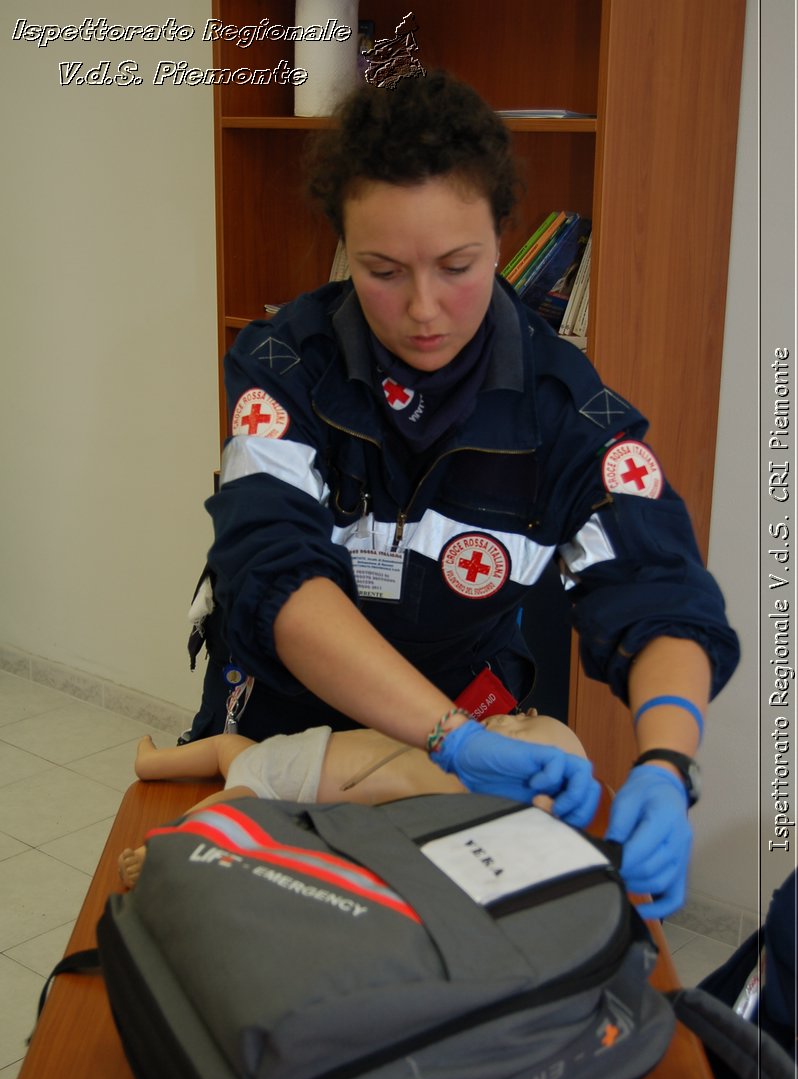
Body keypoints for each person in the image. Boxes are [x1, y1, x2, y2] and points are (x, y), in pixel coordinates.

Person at [187, 70, 739, 917]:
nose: (423, 310)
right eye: (382, 271)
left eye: (457, 266)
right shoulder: (283, 368)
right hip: (278, 733)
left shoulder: (563, 409)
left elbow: (657, 589)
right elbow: (275, 576)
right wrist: (451, 734)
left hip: (466, 736)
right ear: (342, 244)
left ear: (501, 238)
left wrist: (667, 764)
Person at [119, 711, 588, 887]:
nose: (513, 718)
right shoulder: (452, 740)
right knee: (227, 762)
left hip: (277, 779)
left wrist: (540, 814)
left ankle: (158, 822)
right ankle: (155, 791)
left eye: (524, 730)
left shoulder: (455, 793)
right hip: (281, 758)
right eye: (526, 715)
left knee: (230, 784)